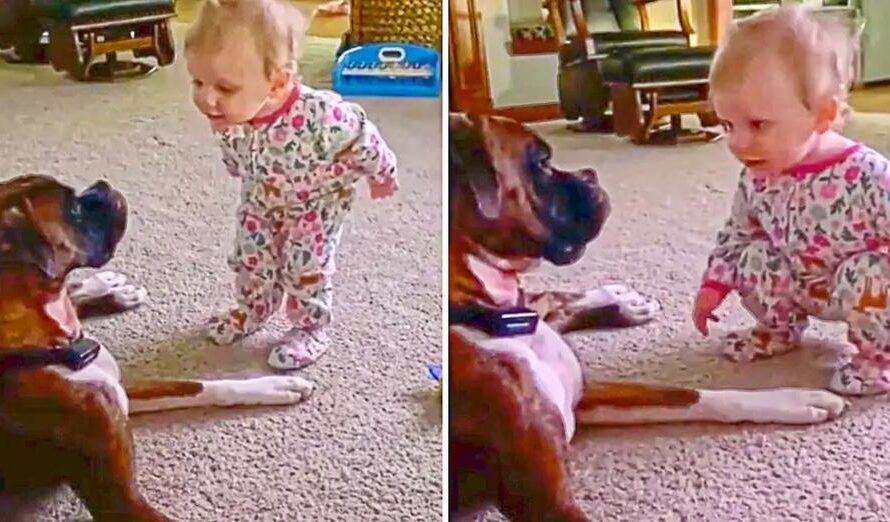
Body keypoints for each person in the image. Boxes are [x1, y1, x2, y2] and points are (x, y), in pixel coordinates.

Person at [184, 0, 398, 370]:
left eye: (224, 87)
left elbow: (364, 138)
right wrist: (234, 152)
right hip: (260, 200)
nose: (207, 98)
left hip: (314, 207)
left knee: (305, 267)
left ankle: (310, 327)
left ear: (278, 82)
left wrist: (383, 173)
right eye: (198, 82)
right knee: (251, 257)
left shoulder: (322, 115)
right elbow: (238, 157)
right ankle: (254, 306)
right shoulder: (230, 114)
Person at [692, 5, 890, 395]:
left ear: (822, 115)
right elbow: (736, 234)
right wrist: (712, 286)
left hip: (854, 285)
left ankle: (878, 358)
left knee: (872, 273)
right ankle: (778, 330)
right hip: (798, 281)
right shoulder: (758, 173)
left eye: (758, 125)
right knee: (751, 256)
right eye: (727, 125)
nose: (738, 143)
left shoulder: (869, 174)